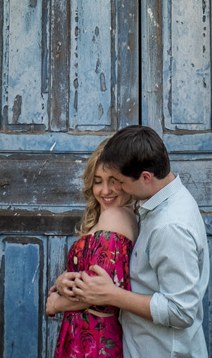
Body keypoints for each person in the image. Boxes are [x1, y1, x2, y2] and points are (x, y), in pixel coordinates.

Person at [61, 126, 210, 358]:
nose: (116, 188)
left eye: (119, 181)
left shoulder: (170, 226)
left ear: (145, 177)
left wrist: (109, 295)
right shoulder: (154, 207)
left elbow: (181, 311)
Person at [47, 138, 139, 358]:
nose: (105, 190)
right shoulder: (111, 216)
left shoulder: (116, 215)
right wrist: (62, 282)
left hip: (94, 341)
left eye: (113, 181)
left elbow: (98, 291)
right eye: (98, 181)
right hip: (86, 336)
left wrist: (56, 305)